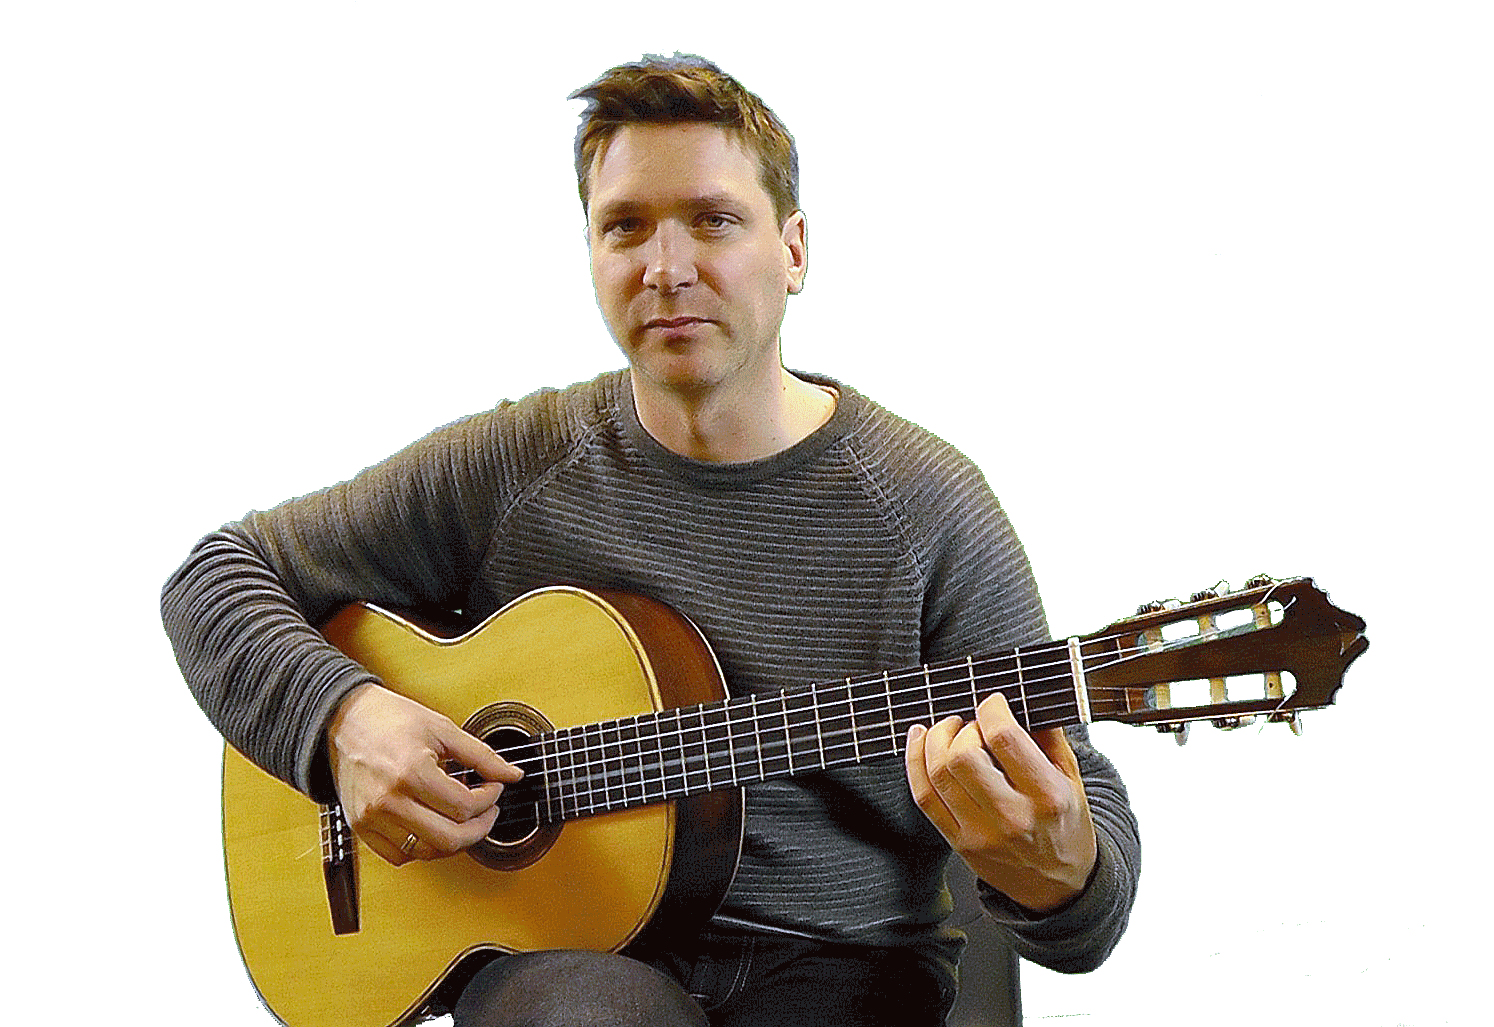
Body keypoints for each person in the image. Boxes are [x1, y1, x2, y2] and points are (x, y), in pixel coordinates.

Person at [162, 54, 1139, 1027]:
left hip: (841, 969)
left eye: (713, 220)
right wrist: (344, 722)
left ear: (794, 251)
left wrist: (1060, 870)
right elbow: (218, 575)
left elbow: (1084, 859)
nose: (666, 269)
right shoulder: (517, 465)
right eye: (625, 226)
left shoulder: (926, 504)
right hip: (572, 965)